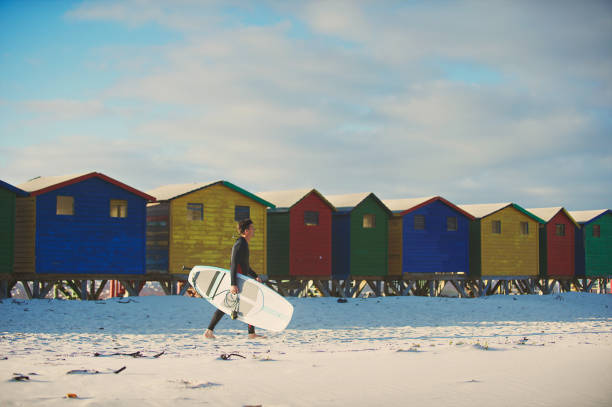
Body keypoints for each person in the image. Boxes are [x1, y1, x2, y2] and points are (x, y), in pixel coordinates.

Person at [204, 218, 265, 340]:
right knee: (233, 304)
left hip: (241, 278)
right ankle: (209, 331)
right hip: (238, 280)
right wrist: (233, 283)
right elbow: (233, 263)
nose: (254, 231)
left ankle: (210, 331)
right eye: (252, 228)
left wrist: (255, 275)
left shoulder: (243, 244)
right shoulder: (240, 244)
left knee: (232, 305)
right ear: (246, 231)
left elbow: (245, 265)